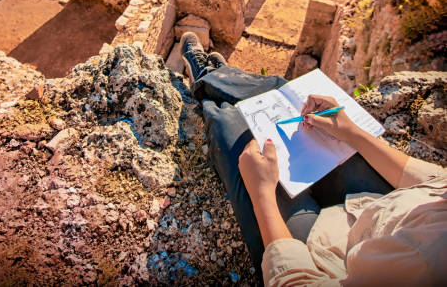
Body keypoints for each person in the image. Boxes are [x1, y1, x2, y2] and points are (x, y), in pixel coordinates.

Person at [179, 32, 447, 286]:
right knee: (284, 94)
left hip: (327, 257)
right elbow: (432, 182)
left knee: (231, 127)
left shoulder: (426, 265)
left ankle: (207, 79)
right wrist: (351, 131)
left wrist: (262, 195)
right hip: (378, 205)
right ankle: (218, 76)